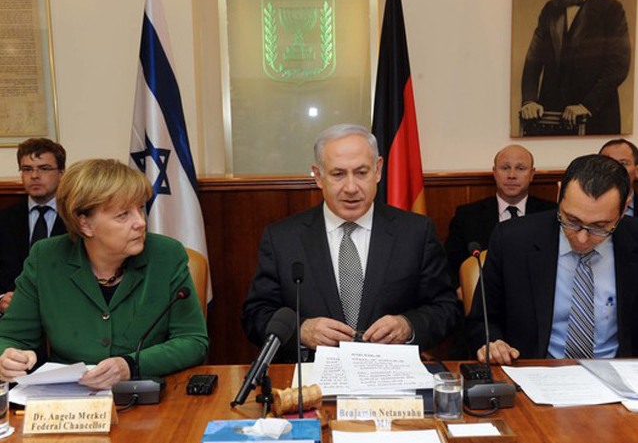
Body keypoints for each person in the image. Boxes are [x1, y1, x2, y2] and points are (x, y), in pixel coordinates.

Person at [242, 124, 460, 361]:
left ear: (378, 170)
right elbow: (255, 316)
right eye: (338, 174)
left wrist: (408, 326)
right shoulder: (283, 239)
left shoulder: (416, 232)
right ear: (318, 175)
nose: (351, 187)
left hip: (389, 375)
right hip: (312, 380)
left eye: (361, 172)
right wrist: (301, 331)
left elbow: (446, 309)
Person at [0, 159, 208, 389]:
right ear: (85, 224)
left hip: (144, 395)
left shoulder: (166, 255)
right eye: (123, 215)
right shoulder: (46, 258)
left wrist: (130, 365)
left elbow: (193, 341)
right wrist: (9, 356)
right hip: (67, 400)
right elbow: (12, 337)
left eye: (140, 209)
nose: (140, 223)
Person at [467, 154, 638, 364]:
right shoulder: (512, 240)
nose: (582, 238)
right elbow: (481, 321)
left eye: (600, 227)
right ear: (559, 194)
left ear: (624, 208)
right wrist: (493, 344)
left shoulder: (634, 241)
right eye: (572, 220)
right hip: (535, 374)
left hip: (621, 378)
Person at [445, 145, 556, 291]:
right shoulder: (467, 216)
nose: (512, 175)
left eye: (520, 168)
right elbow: (450, 266)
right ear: (494, 172)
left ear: (532, 174)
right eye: (505, 168)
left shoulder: (551, 214)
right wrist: (461, 291)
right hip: (484, 302)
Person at [520, 0, 631, 135]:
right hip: (551, 116)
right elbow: (533, 59)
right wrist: (529, 100)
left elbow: (619, 64)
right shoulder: (550, 9)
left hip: (595, 116)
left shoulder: (611, 8)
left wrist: (586, 106)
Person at [0, 138, 67, 315]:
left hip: (64, 313)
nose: (34, 175)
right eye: (27, 169)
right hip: (13, 313)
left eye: (44, 169)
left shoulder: (77, 218)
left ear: (61, 173)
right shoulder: (4, 219)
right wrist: (1, 299)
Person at [599, 138, 637, 216]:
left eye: (623, 163)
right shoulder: (583, 206)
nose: (615, 169)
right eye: (607, 163)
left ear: (636, 170)